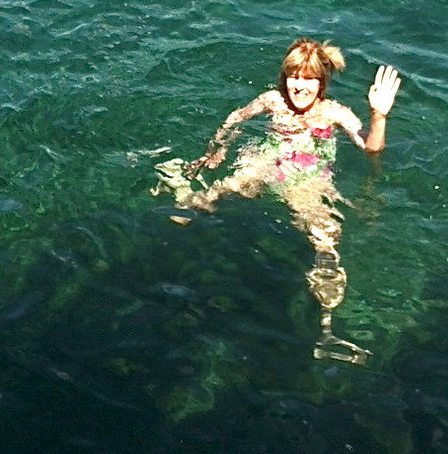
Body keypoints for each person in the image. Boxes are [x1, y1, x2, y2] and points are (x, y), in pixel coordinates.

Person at [152, 37, 401, 364]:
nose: (300, 86)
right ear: (285, 77)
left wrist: (378, 115)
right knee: (188, 210)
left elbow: (370, 148)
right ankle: (176, 186)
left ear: (321, 82)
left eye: (309, 78)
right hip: (265, 165)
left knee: (327, 244)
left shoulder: (334, 112)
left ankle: (326, 331)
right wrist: (217, 149)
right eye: (294, 76)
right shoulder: (272, 100)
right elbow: (235, 118)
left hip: (306, 183)